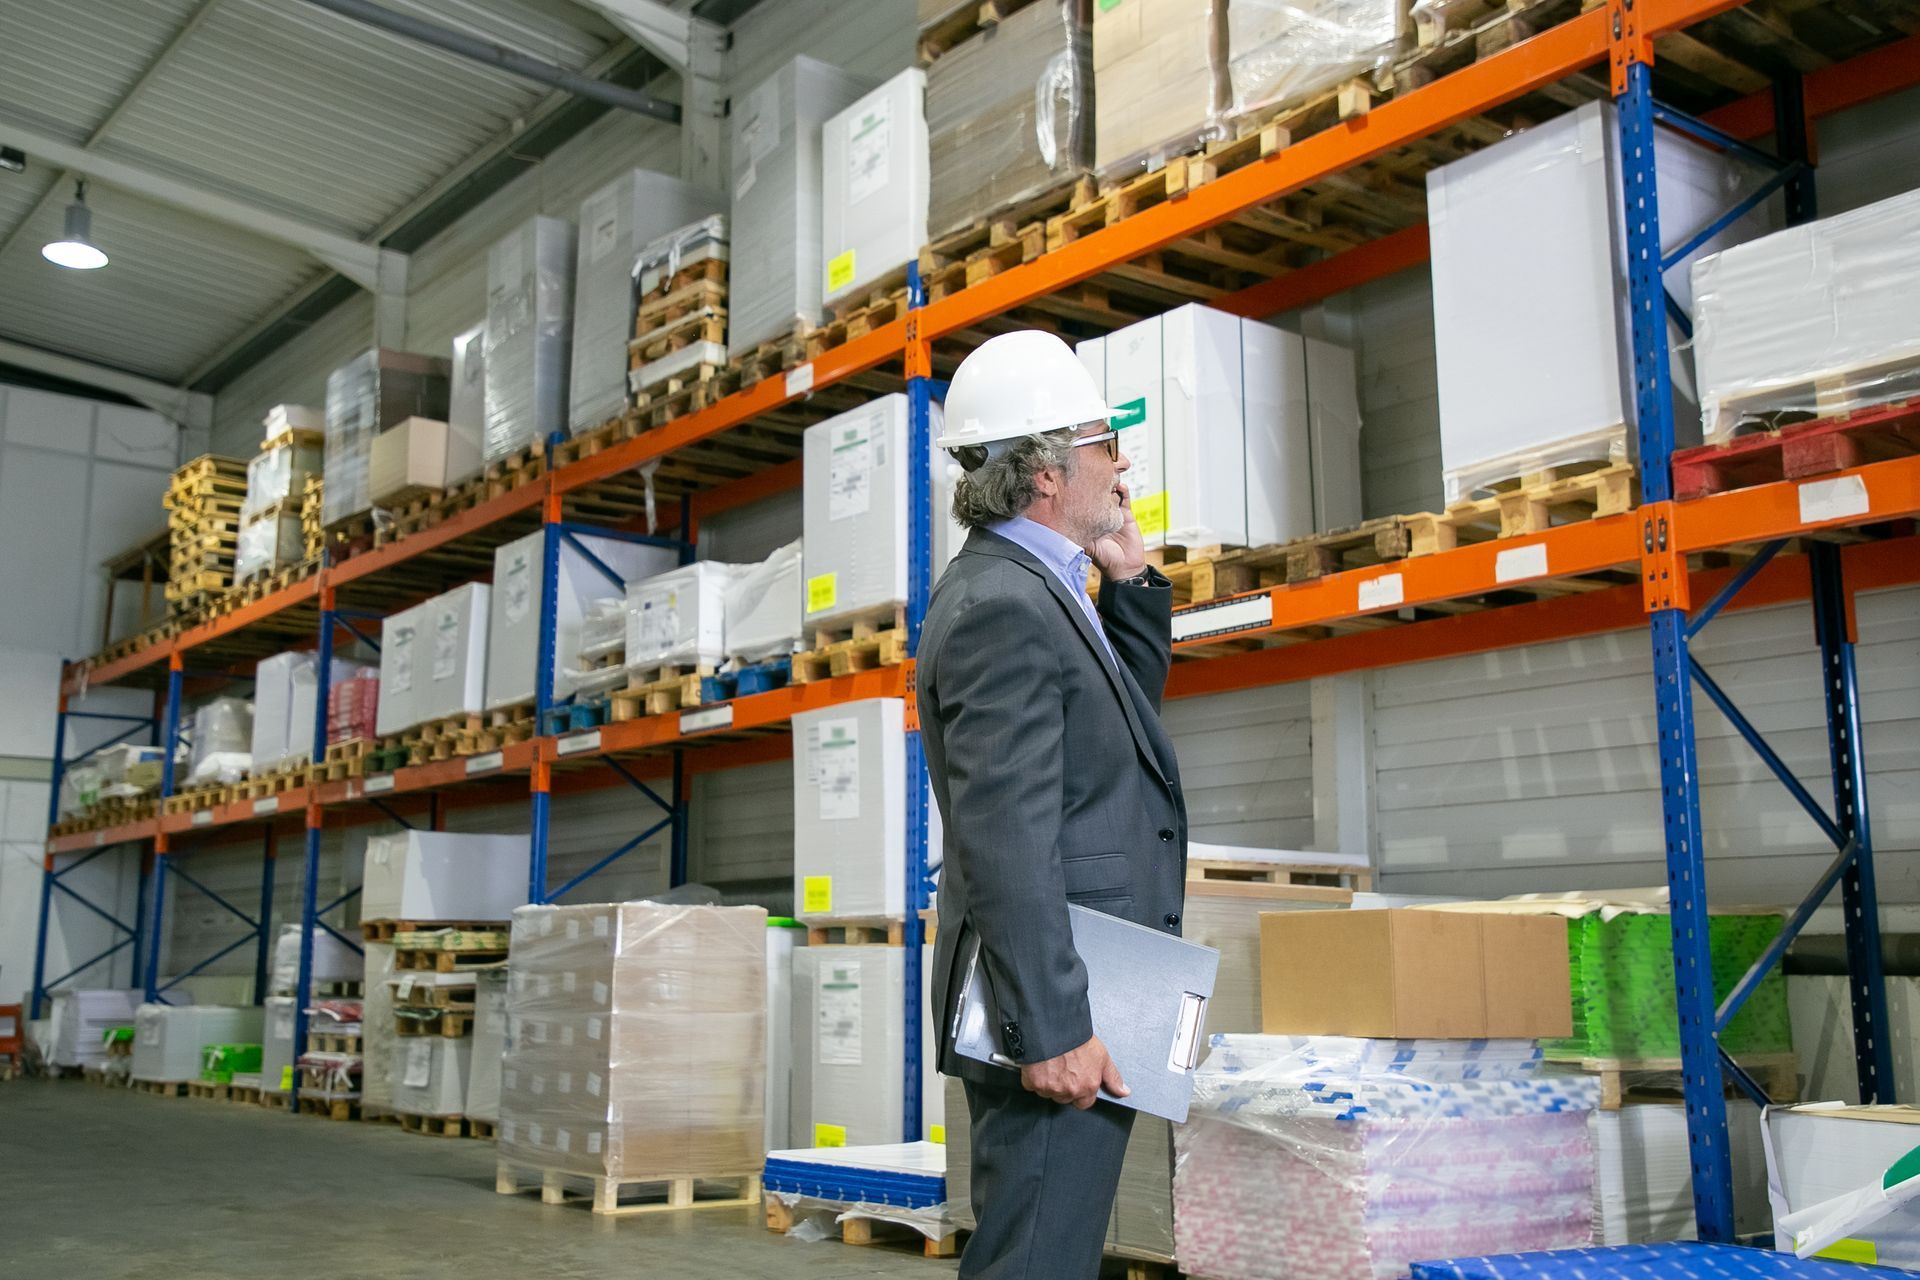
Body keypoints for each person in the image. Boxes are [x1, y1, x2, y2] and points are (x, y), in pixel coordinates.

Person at [917, 330, 1188, 1279]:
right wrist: (1055, 1027)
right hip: (1058, 1006)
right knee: (1033, 1260)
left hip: (1087, 983)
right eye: (1105, 443)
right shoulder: (1004, 605)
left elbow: (1118, 733)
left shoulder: (1042, 586)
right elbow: (1006, 840)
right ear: (1044, 470)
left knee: (1054, 1253)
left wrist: (1131, 580)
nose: (1121, 466)